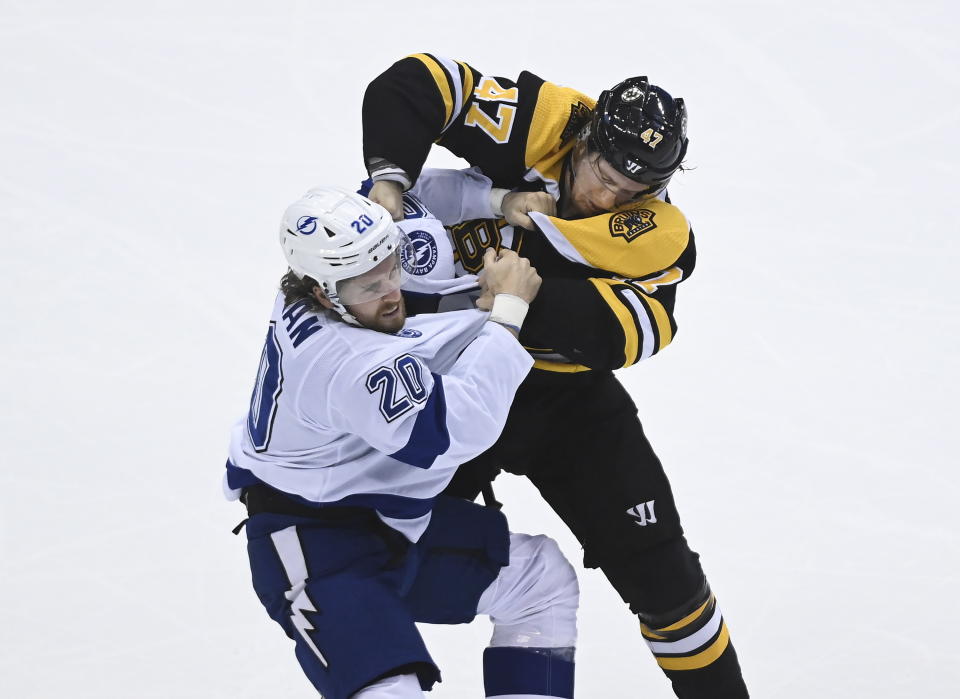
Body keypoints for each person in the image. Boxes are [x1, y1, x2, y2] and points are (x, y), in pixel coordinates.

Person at [361, 55, 749, 698]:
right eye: (603, 175)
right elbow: (416, 84)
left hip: (565, 403)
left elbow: (637, 331)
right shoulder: (547, 121)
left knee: (666, 581)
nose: (608, 198)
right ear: (588, 137)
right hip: (460, 382)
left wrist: (522, 299)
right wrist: (389, 184)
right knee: (373, 555)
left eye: (633, 192)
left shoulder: (656, 234)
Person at [223, 186, 579, 699]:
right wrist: (506, 311)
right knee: (390, 690)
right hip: (310, 545)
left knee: (536, 579)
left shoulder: (318, 281)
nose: (391, 292)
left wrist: (496, 199)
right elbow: (456, 428)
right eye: (370, 287)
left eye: (391, 269)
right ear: (322, 292)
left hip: (381, 521)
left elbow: (403, 202)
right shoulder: (344, 361)